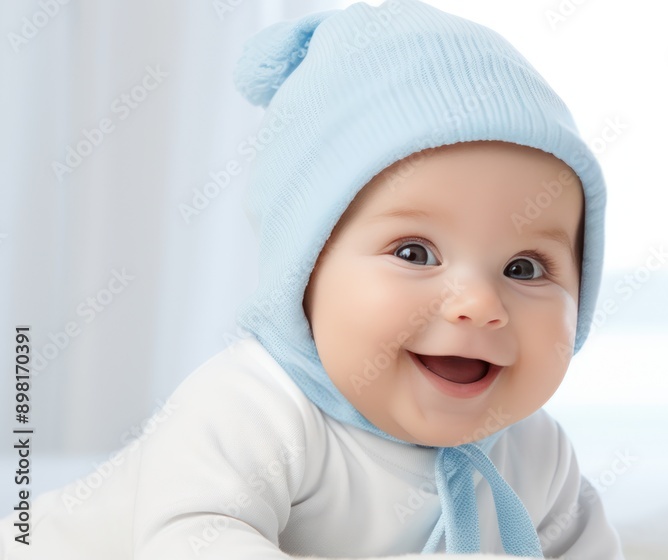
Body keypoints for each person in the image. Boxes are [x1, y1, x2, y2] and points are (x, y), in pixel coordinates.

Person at [1, 1, 623, 557]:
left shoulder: (538, 456)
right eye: (414, 253)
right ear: (303, 273)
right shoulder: (254, 407)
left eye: (524, 268)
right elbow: (190, 540)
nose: (480, 303)